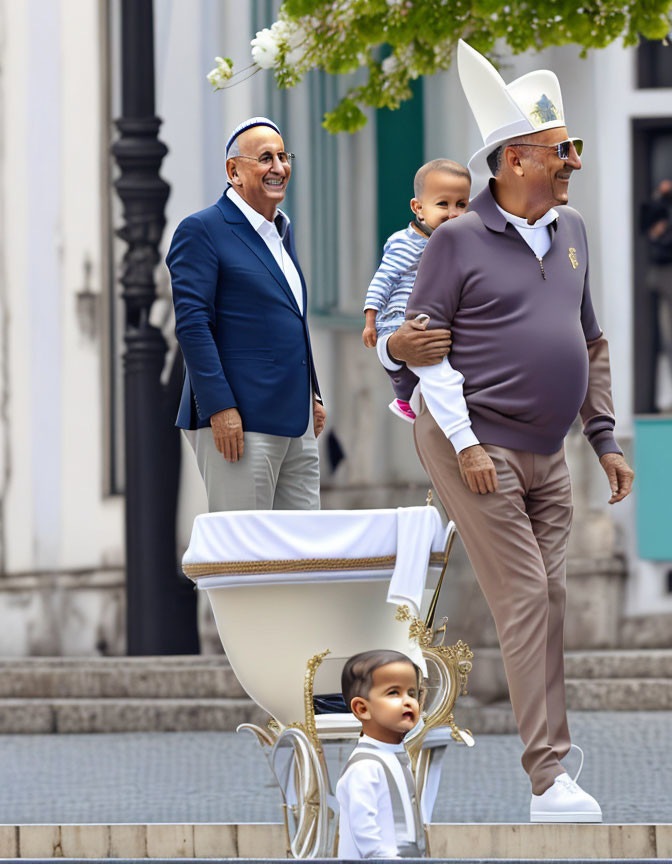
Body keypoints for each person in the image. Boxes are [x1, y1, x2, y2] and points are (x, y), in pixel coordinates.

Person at [398, 41, 635, 822]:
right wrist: (465, 444)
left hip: (548, 450)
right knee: (526, 596)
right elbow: (425, 350)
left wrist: (602, 436)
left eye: (571, 148)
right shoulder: (457, 239)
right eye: (558, 150)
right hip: (474, 440)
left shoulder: (572, 232)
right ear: (511, 161)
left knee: (552, 595)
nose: (571, 162)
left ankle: (553, 761)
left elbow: (590, 339)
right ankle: (548, 778)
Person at [167, 117, 326, 512]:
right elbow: (192, 325)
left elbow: (288, 318)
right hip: (241, 421)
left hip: (297, 420)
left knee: (303, 556)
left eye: (283, 156)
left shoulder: (281, 232)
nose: (279, 167)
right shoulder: (202, 229)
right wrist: (219, 408)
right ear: (233, 171)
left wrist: (314, 393)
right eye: (265, 158)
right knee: (244, 558)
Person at [362, 160, 471, 422]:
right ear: (418, 208)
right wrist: (370, 321)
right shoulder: (405, 243)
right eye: (443, 204)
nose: (453, 212)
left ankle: (405, 398)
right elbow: (383, 279)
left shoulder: (456, 242)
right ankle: (444, 417)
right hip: (400, 320)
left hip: (429, 317)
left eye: (461, 204)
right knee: (439, 369)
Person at [336, 650, 425, 859]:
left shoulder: (396, 758)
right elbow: (364, 826)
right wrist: (380, 857)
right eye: (394, 693)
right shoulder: (365, 767)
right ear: (362, 708)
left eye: (412, 693)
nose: (408, 701)